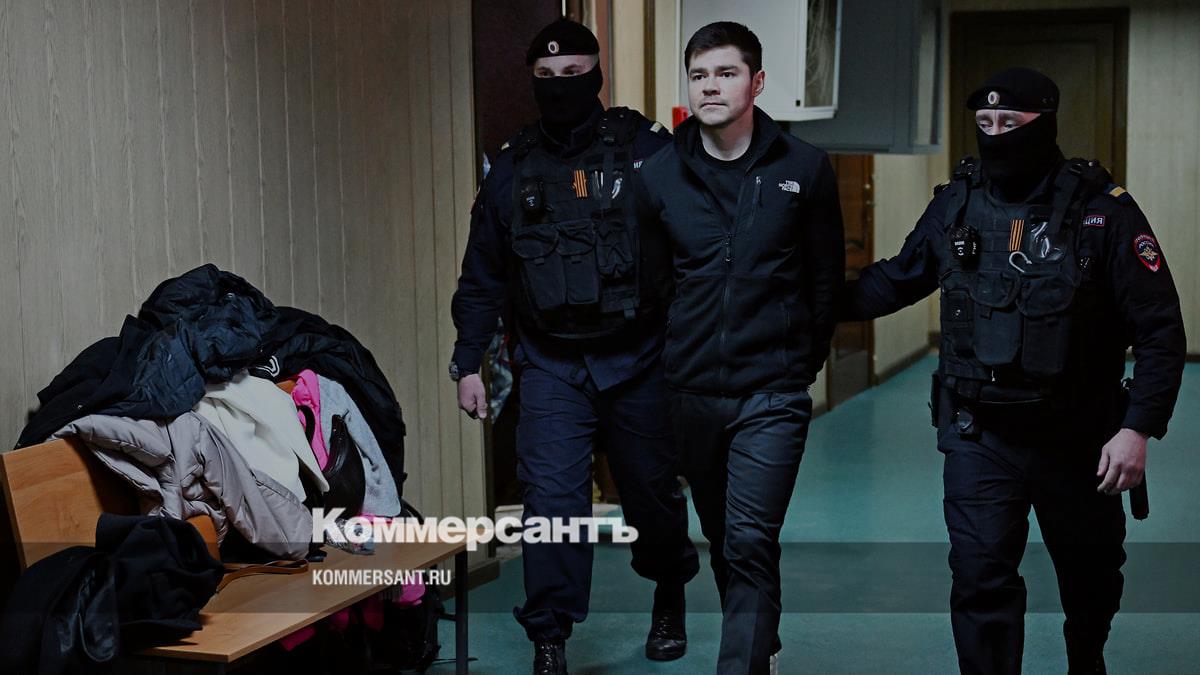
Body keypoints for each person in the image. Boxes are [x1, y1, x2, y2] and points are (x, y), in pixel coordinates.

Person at [838, 67, 1186, 674]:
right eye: (984, 122)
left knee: (1091, 577)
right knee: (980, 578)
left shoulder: (1103, 211)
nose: (995, 134)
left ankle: (1086, 658)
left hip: (1079, 437)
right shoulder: (957, 203)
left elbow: (1160, 330)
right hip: (980, 434)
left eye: (1010, 122)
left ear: (1044, 124)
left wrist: (1137, 429)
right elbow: (897, 279)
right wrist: (804, 302)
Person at [448, 18, 698, 675]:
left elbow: (693, 249)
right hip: (551, 362)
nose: (559, 86)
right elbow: (483, 273)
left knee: (651, 494)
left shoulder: (645, 151)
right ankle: (549, 636)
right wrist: (468, 361)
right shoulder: (513, 167)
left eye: (573, 74)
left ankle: (669, 588)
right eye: (546, 76)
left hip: (639, 358)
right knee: (552, 502)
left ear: (596, 75)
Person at [636, 21, 845, 674]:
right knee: (727, 539)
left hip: (772, 391)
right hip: (692, 393)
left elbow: (824, 280)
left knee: (752, 537)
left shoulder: (804, 169)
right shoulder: (657, 175)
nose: (710, 86)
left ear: (756, 83)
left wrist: (798, 363)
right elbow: (654, 287)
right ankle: (760, 645)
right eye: (698, 75)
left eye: (725, 73)